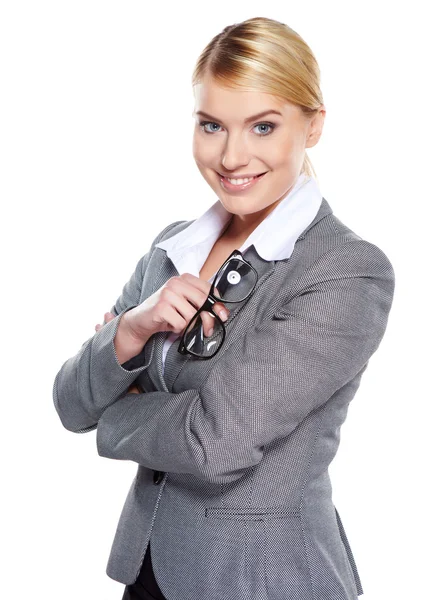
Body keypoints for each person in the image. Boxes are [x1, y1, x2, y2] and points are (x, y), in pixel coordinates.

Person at [53, 17, 395, 600]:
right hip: (152, 569)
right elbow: (69, 402)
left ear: (313, 126)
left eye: (263, 126)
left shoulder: (344, 269)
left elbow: (216, 445)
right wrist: (130, 333)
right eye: (212, 125)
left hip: (263, 577)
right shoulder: (172, 246)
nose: (232, 156)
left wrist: (116, 418)